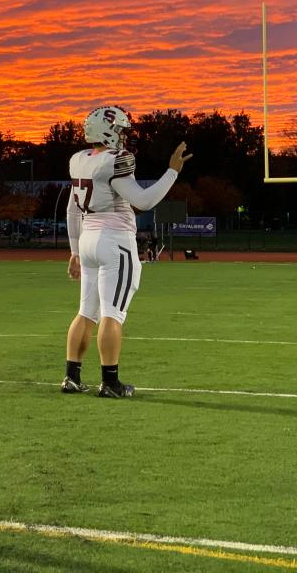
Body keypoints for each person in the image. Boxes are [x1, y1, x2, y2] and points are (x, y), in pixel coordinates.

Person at [61, 106, 191, 398]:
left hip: (88, 239)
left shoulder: (79, 160)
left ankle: (71, 377)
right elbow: (143, 201)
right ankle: (110, 383)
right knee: (112, 314)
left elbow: (72, 210)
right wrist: (172, 172)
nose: (122, 136)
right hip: (114, 241)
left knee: (86, 312)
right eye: (120, 130)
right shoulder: (115, 160)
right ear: (107, 130)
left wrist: (74, 251)